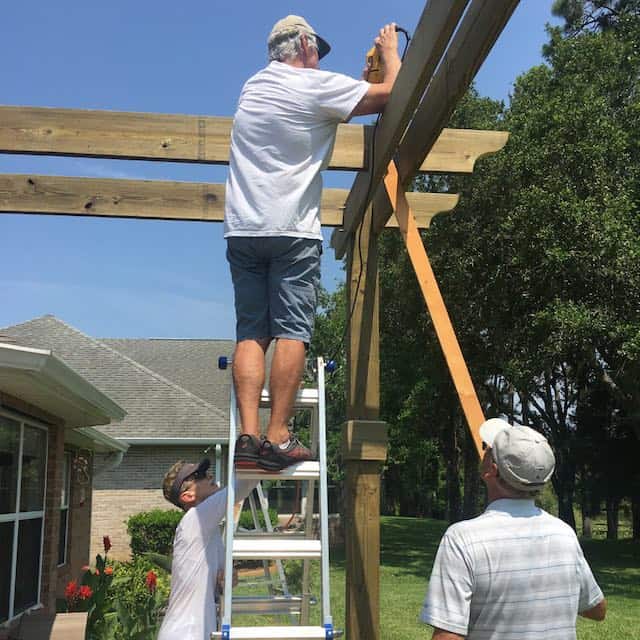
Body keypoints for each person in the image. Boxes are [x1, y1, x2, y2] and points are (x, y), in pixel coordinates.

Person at [224, 15, 401, 471]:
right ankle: (278, 437)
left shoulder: (253, 88)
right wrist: (389, 55)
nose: (320, 58)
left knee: (251, 334)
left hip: (243, 229)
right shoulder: (310, 86)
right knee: (291, 332)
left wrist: (353, 87)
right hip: (290, 231)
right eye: (317, 49)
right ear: (302, 44)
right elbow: (393, 97)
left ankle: (247, 438)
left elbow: (314, 115)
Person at [420, 418, 606, 639]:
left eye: (489, 449)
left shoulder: (462, 538)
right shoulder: (564, 533)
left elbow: (447, 636)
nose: (485, 450)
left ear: (492, 470)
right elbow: (597, 609)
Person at [157, 458, 256, 640]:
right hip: (184, 634)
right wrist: (264, 450)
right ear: (187, 496)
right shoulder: (194, 520)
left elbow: (219, 582)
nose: (210, 476)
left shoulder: (209, 532)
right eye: (200, 476)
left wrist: (225, 580)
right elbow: (243, 485)